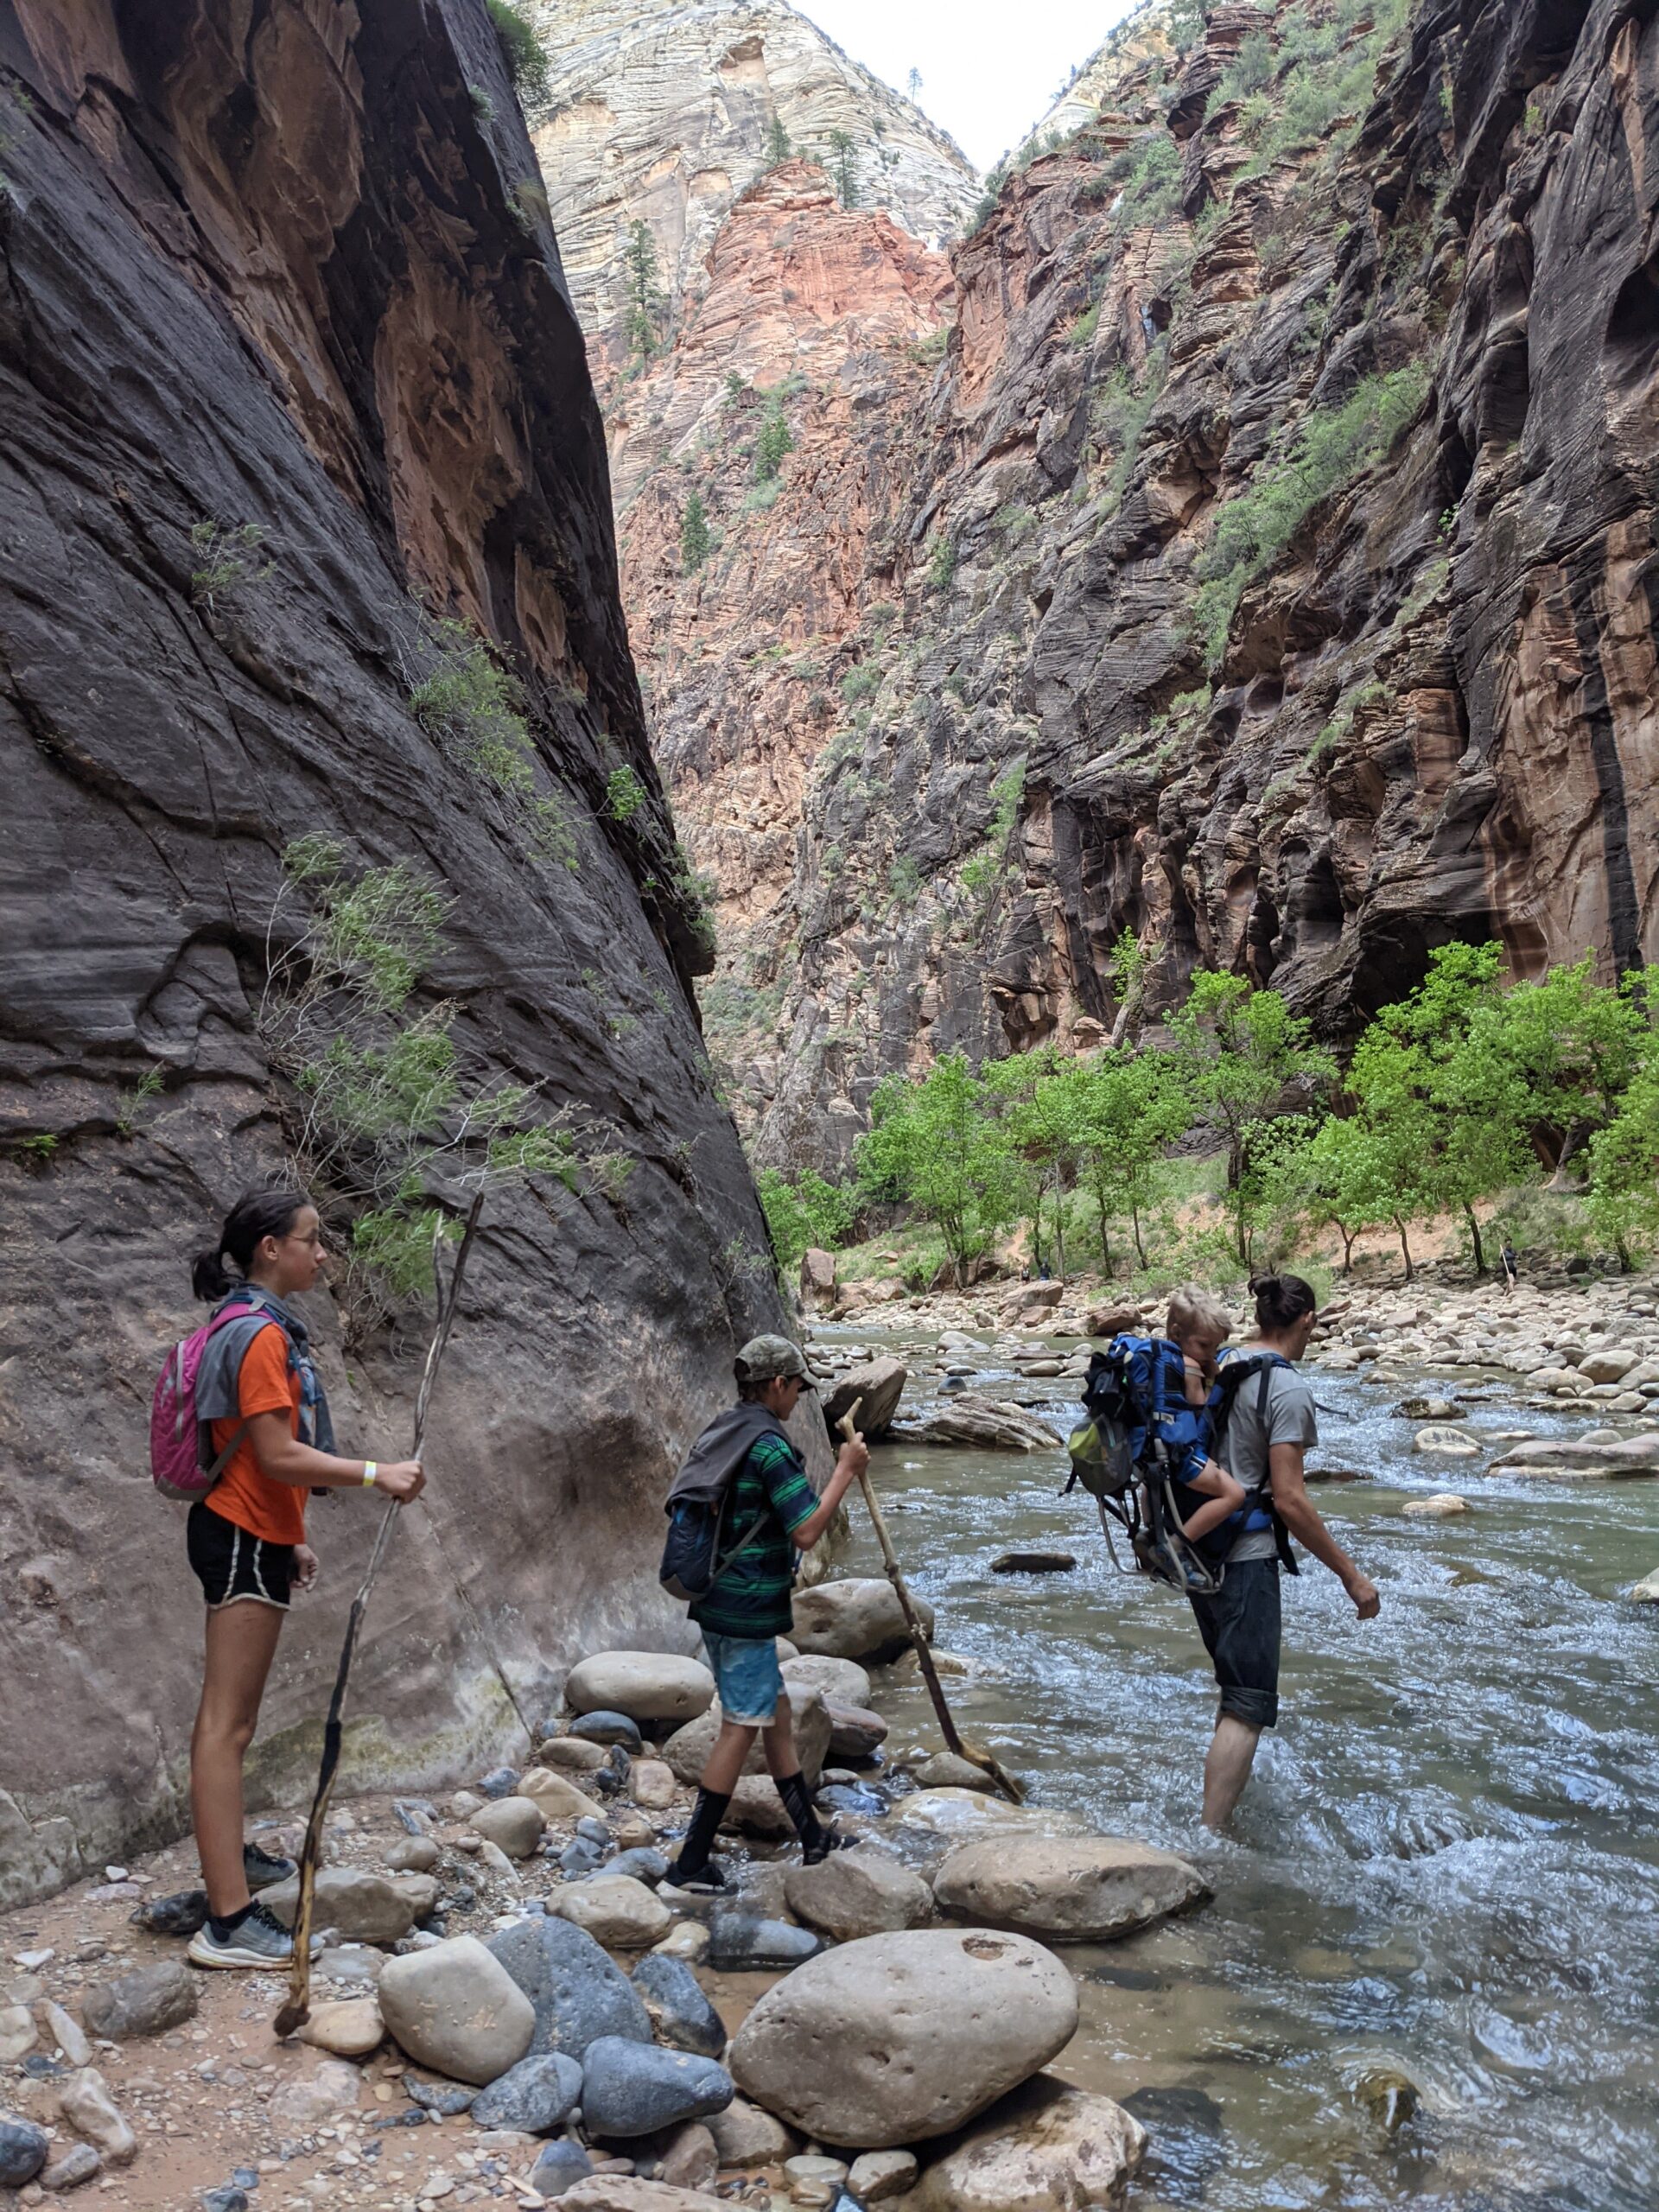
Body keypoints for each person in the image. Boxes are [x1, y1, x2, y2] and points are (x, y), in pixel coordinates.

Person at [183, 1190, 425, 1967]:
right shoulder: (258, 1337)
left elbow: (256, 1457)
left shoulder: (249, 1325)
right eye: (311, 1241)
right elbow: (278, 1454)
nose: (322, 1255)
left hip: (254, 1533)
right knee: (227, 1727)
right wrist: (376, 1472)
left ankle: (231, 1866)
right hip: (239, 1533)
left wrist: (292, 1537)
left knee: (231, 1723)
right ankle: (228, 1922)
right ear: (267, 1248)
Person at [667, 1335, 869, 1892]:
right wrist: (845, 1470)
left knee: (774, 1712)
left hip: (717, 1598)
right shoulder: (769, 1447)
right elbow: (805, 1531)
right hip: (746, 1608)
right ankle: (690, 1862)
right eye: (798, 1387)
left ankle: (811, 1837)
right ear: (778, 1383)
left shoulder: (727, 1431)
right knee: (741, 1725)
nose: (799, 1397)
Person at [1188, 1273, 1379, 1831]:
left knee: (1232, 1688)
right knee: (1247, 1704)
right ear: (1308, 1321)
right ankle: (1210, 1838)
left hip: (1197, 1547)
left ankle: (1218, 1811)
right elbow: (1290, 1499)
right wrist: (1352, 1577)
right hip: (1245, 1555)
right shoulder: (1287, 1388)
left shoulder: (1221, 1362)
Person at [1162, 1285, 1247, 1554]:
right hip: (1182, 1454)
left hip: (1159, 1452)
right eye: (1203, 1345)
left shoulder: (1167, 1358)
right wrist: (1214, 1380)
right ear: (1177, 1334)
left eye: (1216, 1346)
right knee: (1234, 1495)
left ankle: (1152, 1533)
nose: (1210, 1353)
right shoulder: (1190, 1367)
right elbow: (1202, 1407)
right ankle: (1176, 1546)